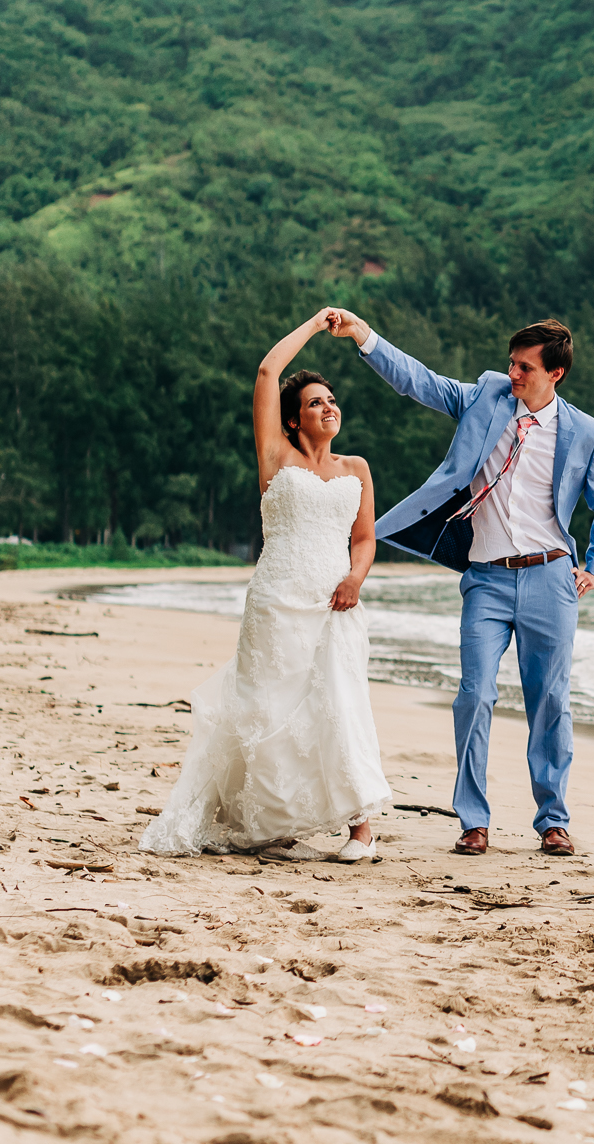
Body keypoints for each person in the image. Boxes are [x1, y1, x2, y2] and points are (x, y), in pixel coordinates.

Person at [325, 309, 594, 859]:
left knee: (550, 702)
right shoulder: (487, 396)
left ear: (555, 374)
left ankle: (552, 820)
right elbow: (423, 382)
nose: (512, 373)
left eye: (525, 367)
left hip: (552, 578)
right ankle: (473, 820)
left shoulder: (586, 432)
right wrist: (365, 338)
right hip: (486, 579)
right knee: (474, 696)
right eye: (511, 363)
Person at [141, 310, 390, 864]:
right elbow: (265, 373)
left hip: (333, 601)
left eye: (332, 400)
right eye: (315, 403)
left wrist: (355, 578)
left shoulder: (357, 468)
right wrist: (315, 325)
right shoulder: (276, 458)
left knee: (342, 701)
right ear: (293, 420)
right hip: (277, 599)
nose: (329, 407)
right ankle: (272, 819)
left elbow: (366, 538)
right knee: (271, 708)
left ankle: (360, 832)